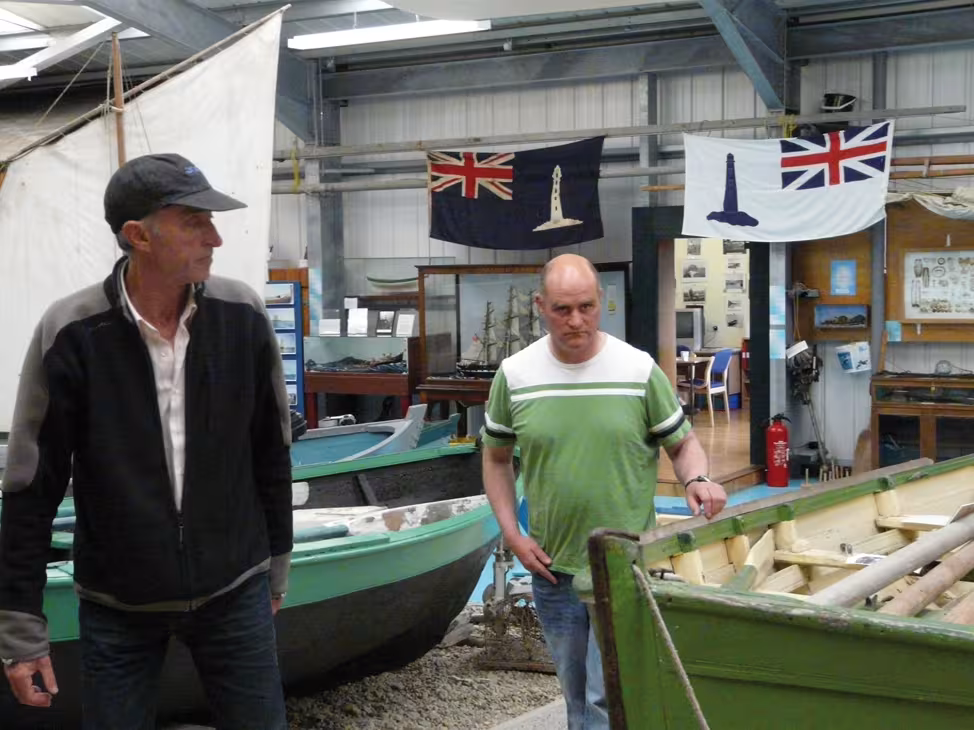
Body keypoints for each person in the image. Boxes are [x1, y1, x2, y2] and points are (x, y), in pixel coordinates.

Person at [0, 153, 293, 729]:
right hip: (117, 605)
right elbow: (31, 485)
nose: (215, 237)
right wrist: (20, 631)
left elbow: (271, 450)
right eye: (194, 222)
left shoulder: (243, 315)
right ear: (138, 236)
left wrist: (275, 568)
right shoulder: (72, 331)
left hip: (235, 591)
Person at [481, 253, 727, 730]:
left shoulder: (637, 371)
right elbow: (495, 460)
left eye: (587, 307)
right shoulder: (515, 376)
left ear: (602, 302)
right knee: (576, 696)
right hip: (552, 569)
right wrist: (512, 534)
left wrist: (696, 478)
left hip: (623, 566)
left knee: (604, 698)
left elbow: (683, 443)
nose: (577, 321)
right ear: (540, 306)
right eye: (562, 309)